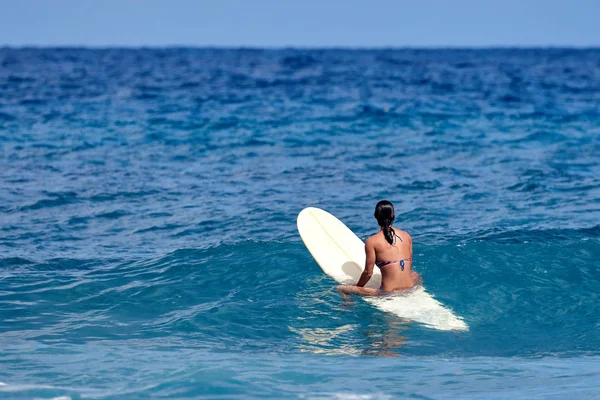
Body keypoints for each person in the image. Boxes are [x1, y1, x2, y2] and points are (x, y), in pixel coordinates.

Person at [337, 200, 421, 296]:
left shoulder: (372, 241)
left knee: (342, 288)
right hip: (410, 288)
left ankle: (347, 306)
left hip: (387, 293)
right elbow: (408, 265)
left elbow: (368, 273)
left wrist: (357, 287)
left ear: (375, 216)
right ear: (393, 215)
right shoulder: (406, 236)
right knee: (415, 274)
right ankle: (418, 291)